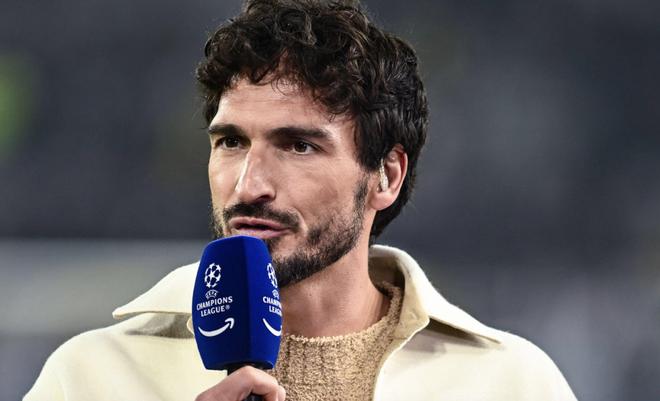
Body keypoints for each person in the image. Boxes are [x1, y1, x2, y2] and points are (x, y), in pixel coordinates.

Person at [25, 1, 577, 400]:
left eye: (298, 146)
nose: (248, 185)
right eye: (231, 142)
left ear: (385, 176)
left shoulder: (511, 384)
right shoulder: (88, 378)